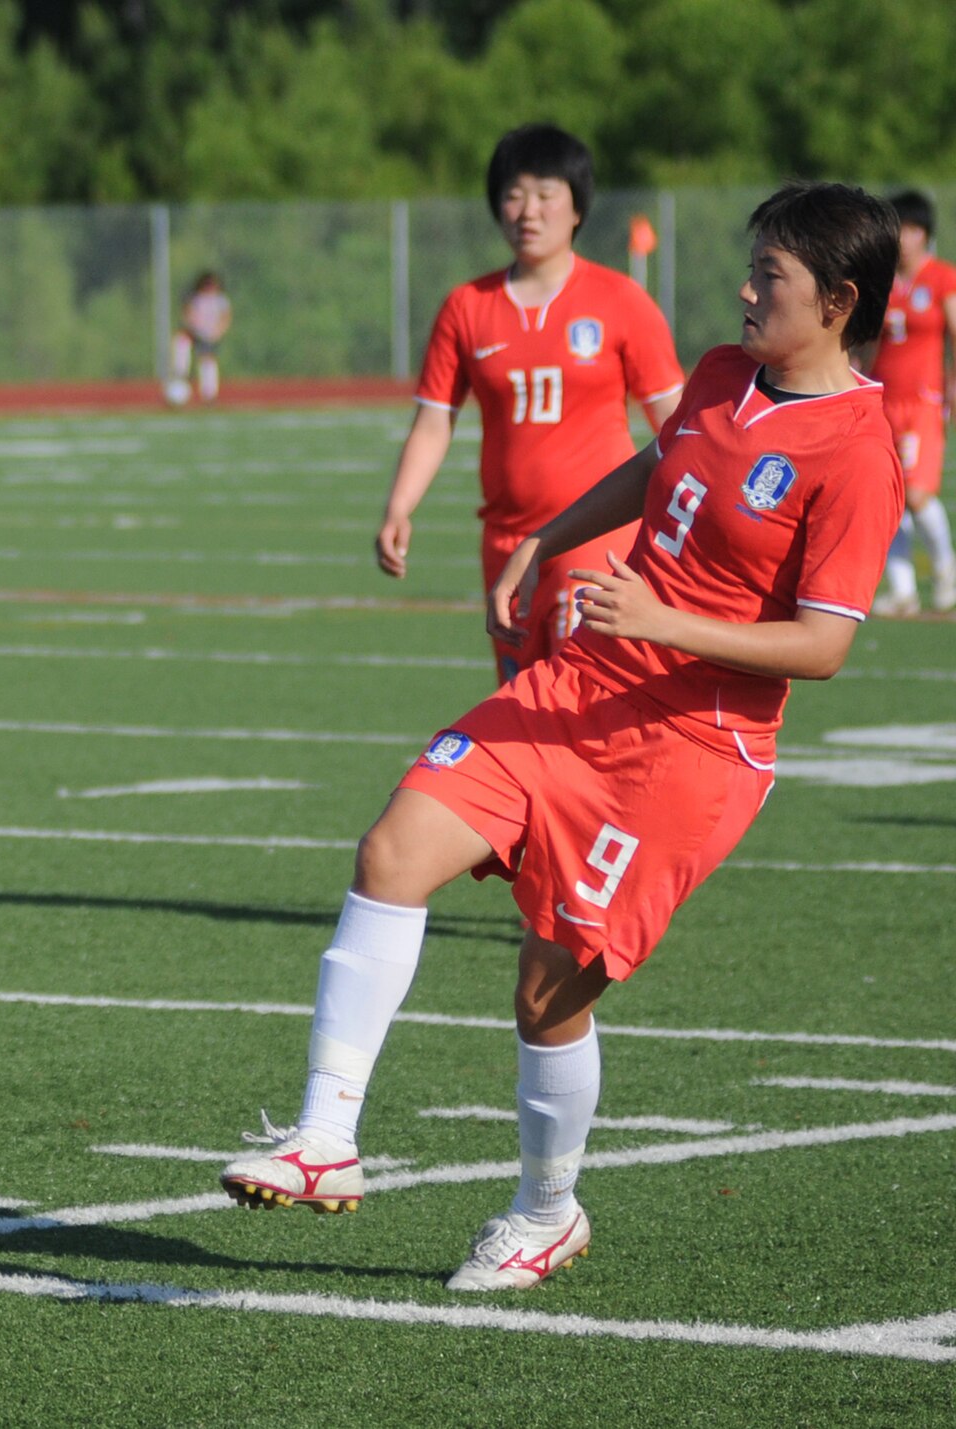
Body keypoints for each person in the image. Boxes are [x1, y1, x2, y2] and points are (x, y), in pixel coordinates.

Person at [221, 181, 902, 1291]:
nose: (742, 288)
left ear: (835, 301)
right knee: (393, 848)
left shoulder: (857, 449)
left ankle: (544, 1211)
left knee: (545, 990)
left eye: (766, 276)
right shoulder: (725, 375)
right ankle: (322, 1139)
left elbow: (821, 646)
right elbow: (653, 465)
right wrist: (548, 538)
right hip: (577, 682)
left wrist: (659, 618)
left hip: (685, 753)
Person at [378, 125, 686, 685]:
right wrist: (399, 507)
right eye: (514, 195)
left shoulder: (621, 300)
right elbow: (433, 422)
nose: (528, 211)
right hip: (506, 544)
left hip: (595, 535)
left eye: (546, 195)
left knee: (579, 693)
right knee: (521, 704)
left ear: (577, 208)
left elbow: (678, 423)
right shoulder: (467, 307)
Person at [868, 189, 956, 615]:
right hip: (884, 399)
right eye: (898, 229)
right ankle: (902, 591)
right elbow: (867, 345)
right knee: (890, 495)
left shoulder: (941, 277)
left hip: (923, 400)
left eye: (912, 229)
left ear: (925, 235)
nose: (903, 238)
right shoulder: (882, 282)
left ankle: (947, 575)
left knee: (918, 493)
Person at [167, 272, 231, 404]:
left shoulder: (220, 300)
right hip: (195, 332)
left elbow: (225, 318)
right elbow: (187, 314)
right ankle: (181, 373)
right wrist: (193, 327)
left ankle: (209, 395)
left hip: (210, 335)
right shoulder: (195, 298)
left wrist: (217, 332)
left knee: (207, 360)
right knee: (181, 341)